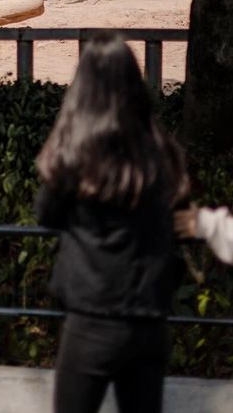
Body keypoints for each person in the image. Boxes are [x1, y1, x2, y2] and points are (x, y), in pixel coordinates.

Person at [35, 32, 188, 413]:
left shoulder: (74, 154)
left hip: (91, 318)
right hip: (148, 317)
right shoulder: (160, 151)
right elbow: (178, 215)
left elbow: (46, 214)